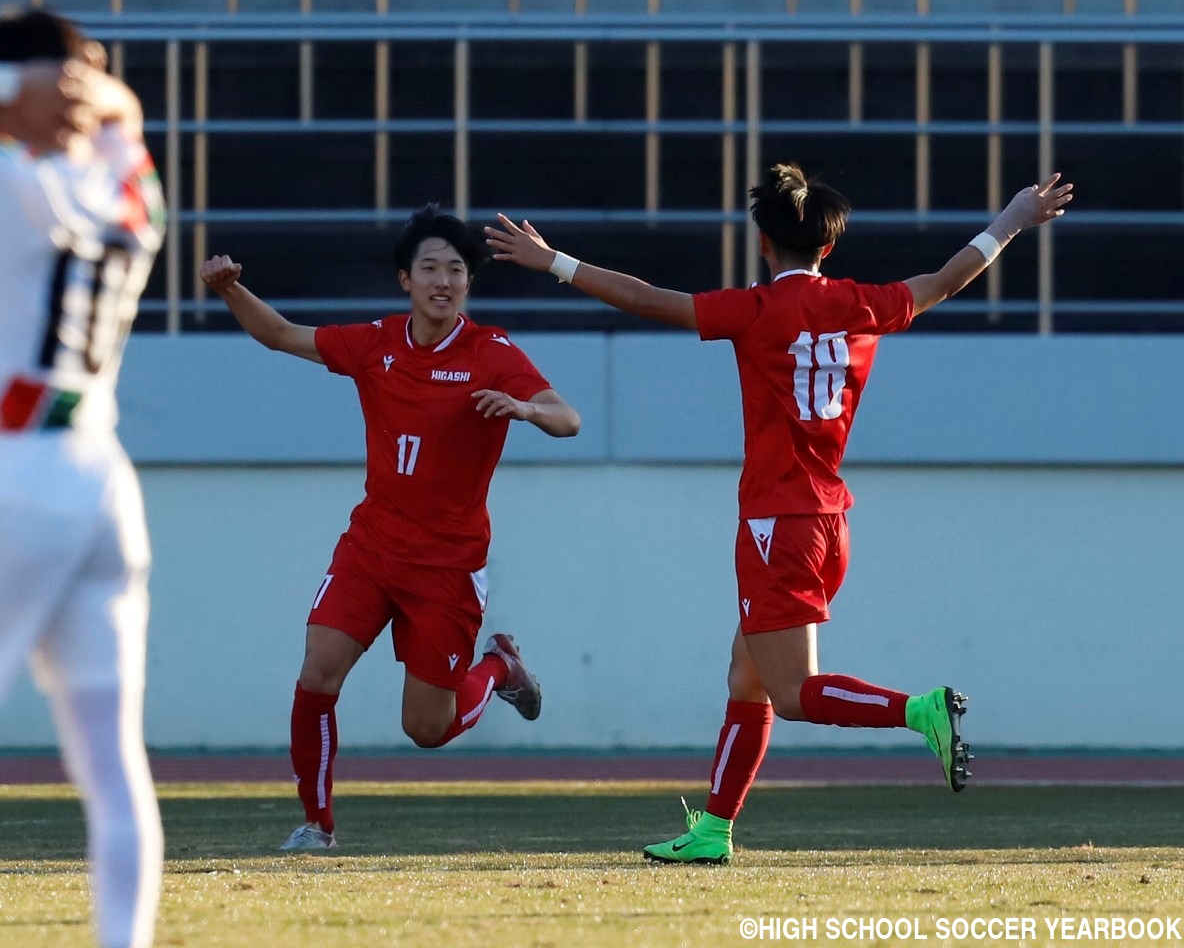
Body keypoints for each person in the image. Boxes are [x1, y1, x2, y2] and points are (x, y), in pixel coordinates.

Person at [486, 162, 1073, 865]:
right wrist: (1013, 218)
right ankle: (711, 831)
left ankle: (921, 709)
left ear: (764, 242)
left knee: (792, 694)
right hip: (829, 521)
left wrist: (553, 260)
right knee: (749, 677)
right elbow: (947, 278)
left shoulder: (756, 311)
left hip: (777, 522)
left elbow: (646, 298)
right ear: (827, 247)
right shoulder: (864, 304)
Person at [200, 203, 581, 851]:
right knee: (319, 669)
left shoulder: (492, 352)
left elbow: (567, 418)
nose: (444, 279)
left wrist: (524, 407)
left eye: (456, 269)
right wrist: (230, 289)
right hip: (372, 546)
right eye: (429, 267)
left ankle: (497, 668)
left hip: (448, 566)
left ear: (467, 284)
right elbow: (282, 336)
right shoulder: (374, 343)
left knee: (426, 729)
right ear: (405, 279)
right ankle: (316, 826)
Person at [0, 8, 166, 948]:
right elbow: (123, 119)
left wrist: (5, 86)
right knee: (108, 757)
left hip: (11, 478)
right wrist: (80, 84)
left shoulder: (5, 175)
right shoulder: (131, 187)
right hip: (103, 477)